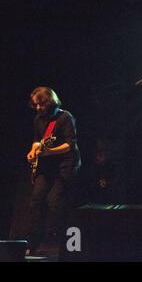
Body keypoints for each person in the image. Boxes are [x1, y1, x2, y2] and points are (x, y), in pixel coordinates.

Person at [26, 87, 81, 253]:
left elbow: (70, 144)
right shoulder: (38, 119)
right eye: (35, 105)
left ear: (49, 101)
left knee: (54, 202)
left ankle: (57, 242)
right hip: (47, 166)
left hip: (65, 164)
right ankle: (32, 243)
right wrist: (32, 151)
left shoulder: (65, 117)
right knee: (35, 201)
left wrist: (50, 151)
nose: (38, 108)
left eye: (41, 105)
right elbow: (37, 140)